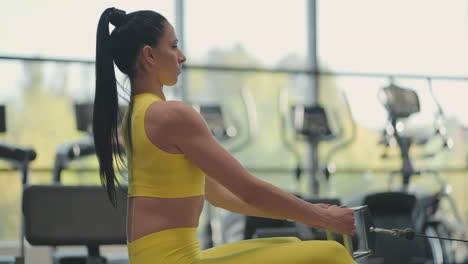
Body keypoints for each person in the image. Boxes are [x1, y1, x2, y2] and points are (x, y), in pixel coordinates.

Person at [93, 7, 356, 264]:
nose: (182, 56)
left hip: (155, 258)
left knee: (287, 244)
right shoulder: (171, 115)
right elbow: (248, 189)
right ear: (149, 55)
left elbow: (220, 195)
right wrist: (326, 220)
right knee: (331, 254)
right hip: (175, 260)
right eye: (173, 47)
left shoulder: (137, 115)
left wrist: (308, 213)